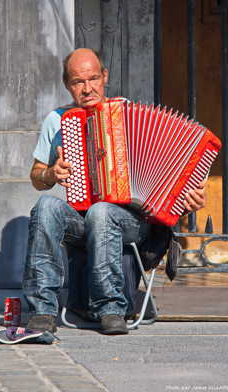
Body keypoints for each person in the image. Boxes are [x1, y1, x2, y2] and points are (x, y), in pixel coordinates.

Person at [23, 48, 206, 336]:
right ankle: (42, 311)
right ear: (66, 84)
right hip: (83, 221)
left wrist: (188, 197)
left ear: (105, 76)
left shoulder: (127, 115)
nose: (87, 88)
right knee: (46, 205)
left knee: (103, 209)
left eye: (93, 78)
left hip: (133, 224)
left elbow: (170, 172)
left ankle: (111, 308)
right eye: (77, 82)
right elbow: (36, 176)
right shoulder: (57, 120)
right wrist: (51, 173)